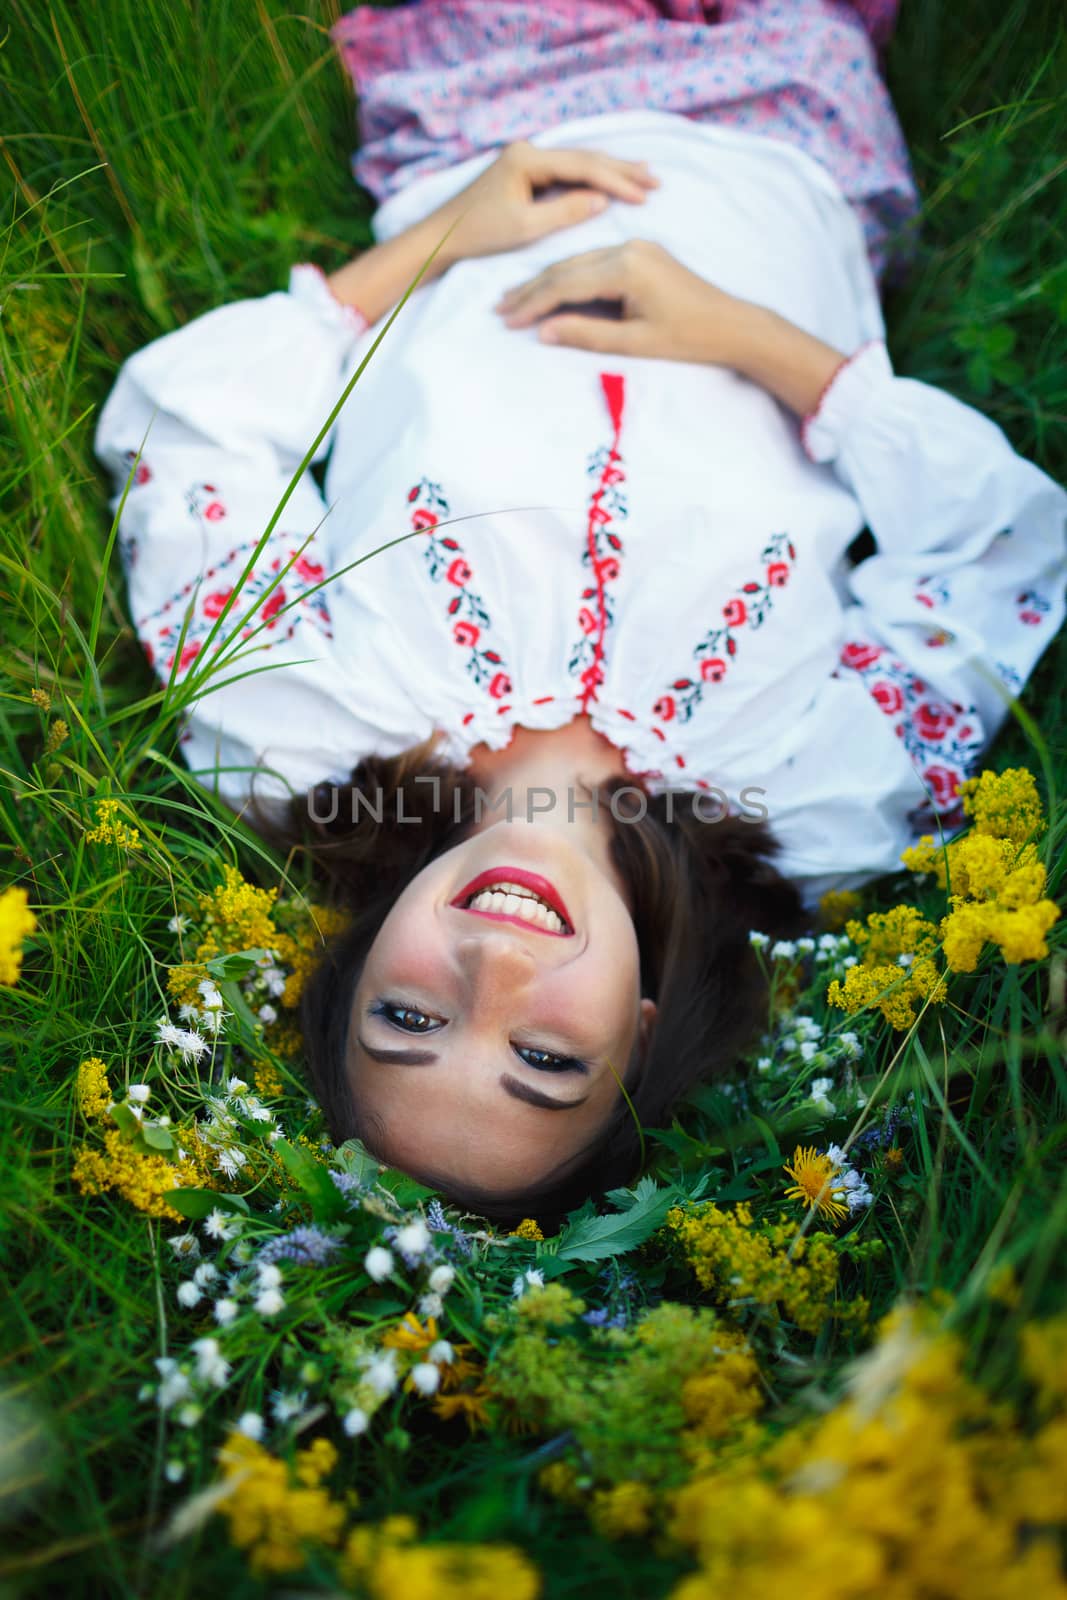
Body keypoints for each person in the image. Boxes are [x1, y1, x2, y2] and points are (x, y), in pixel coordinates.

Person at [96, 0, 1067, 1222]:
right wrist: (753, 340)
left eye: (407, 1019)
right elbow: (998, 553)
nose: (490, 970)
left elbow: (184, 434)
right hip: (784, 143)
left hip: (488, 114)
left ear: (348, 978)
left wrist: (445, 234)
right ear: (642, 1029)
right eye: (545, 1062)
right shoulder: (814, 807)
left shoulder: (291, 735)